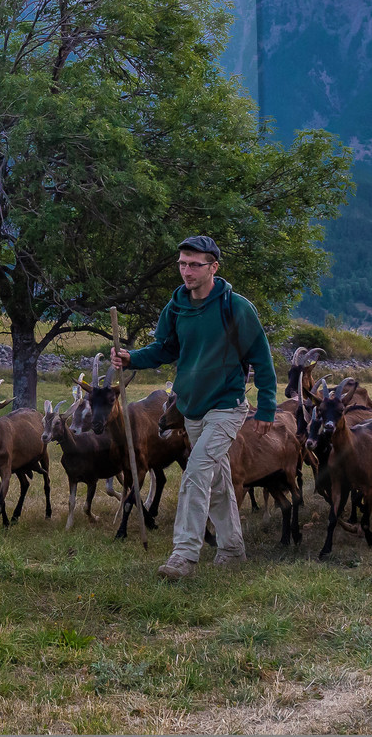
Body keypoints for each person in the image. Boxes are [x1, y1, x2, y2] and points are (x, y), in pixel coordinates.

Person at [113, 234, 277, 578]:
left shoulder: (237, 308)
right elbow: (164, 349)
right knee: (215, 481)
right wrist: (132, 358)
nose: (186, 271)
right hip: (191, 409)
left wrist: (267, 407)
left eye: (194, 265)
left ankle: (183, 556)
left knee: (196, 474)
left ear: (213, 267)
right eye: (182, 264)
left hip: (227, 407)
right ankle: (232, 550)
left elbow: (261, 358)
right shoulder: (175, 308)